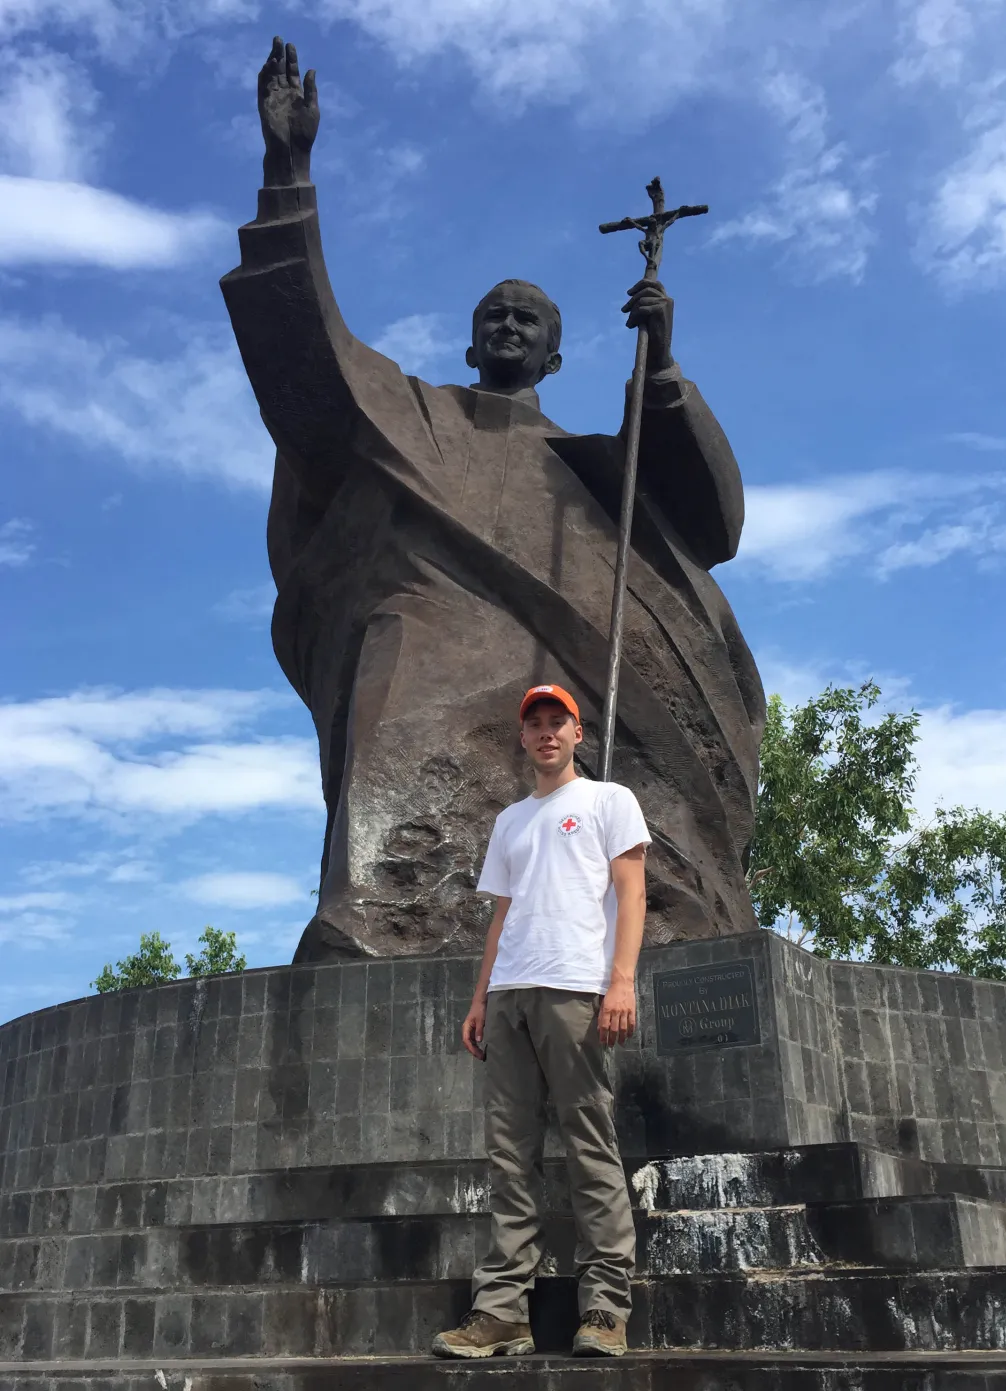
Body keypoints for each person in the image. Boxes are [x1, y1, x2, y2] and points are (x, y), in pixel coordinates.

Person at [221, 37, 765, 966]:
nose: (507, 324)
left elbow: (713, 526)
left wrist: (662, 370)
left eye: (528, 319)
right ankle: (385, 915)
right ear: (472, 347)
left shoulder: (594, 473)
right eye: (493, 317)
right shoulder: (419, 419)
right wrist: (289, 173)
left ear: (555, 356)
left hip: (584, 685)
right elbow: (307, 358)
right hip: (428, 631)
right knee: (407, 652)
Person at [432, 683, 649, 1360]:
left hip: (576, 986)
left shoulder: (608, 801)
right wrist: (479, 998)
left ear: (577, 734)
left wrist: (621, 981)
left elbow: (632, 889)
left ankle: (605, 1311)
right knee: (509, 1157)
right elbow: (503, 915)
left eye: (559, 722)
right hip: (510, 995)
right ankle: (502, 1313)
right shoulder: (510, 822)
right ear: (523, 739)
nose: (547, 733)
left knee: (589, 1146)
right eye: (536, 725)